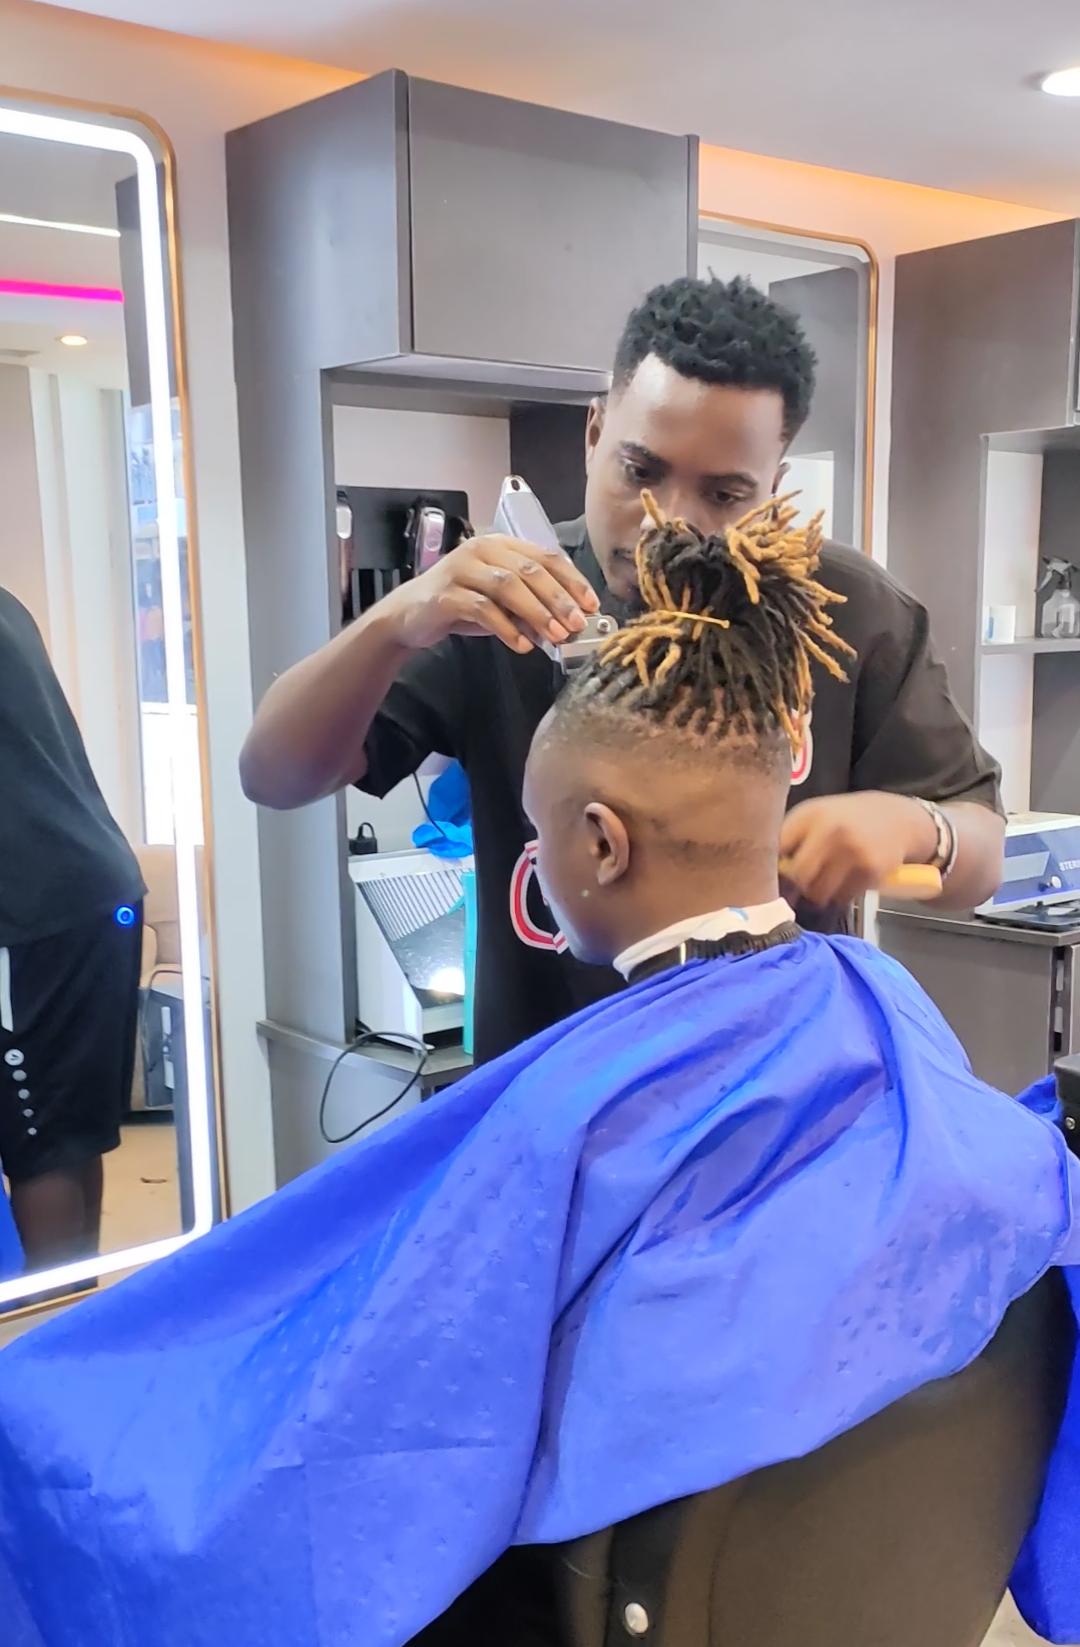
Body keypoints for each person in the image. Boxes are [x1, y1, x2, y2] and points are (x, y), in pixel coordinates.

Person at [0, 500, 1074, 1647]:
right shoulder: (883, 1015)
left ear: (601, 845)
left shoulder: (568, 1118)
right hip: (816, 1583)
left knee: (65, 1429)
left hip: (581, 1597)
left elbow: (379, 1431)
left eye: (538, 831)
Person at [240, 274, 1005, 1064]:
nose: (668, 522)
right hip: (552, 1094)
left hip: (773, 1094)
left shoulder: (847, 612)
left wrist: (920, 829)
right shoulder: (498, 600)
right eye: (641, 471)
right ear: (594, 433)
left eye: (724, 492)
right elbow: (273, 774)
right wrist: (394, 620)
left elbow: (979, 858)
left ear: (773, 486)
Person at [0, 588, 145, 1267]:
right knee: (67, 1137)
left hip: (32, 905)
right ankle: (68, 1322)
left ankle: (47, 1339)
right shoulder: (7, 604)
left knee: (41, 1146)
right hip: (96, 887)